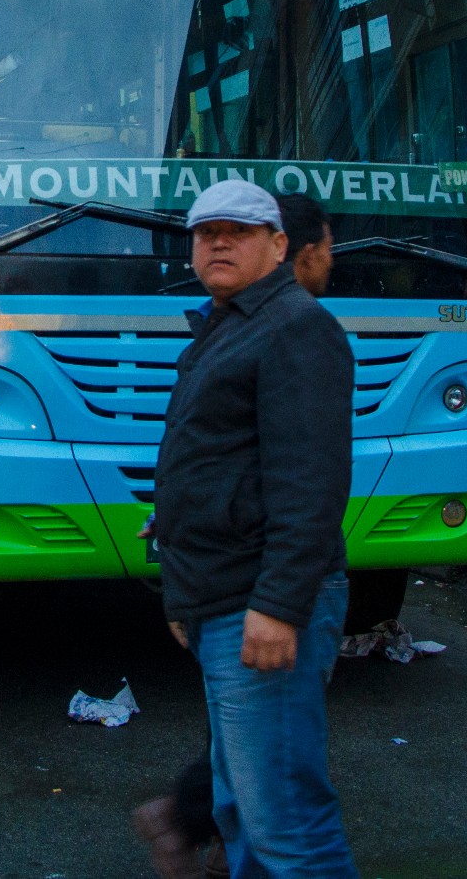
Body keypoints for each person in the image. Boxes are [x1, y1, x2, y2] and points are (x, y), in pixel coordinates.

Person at [152, 180, 358, 879]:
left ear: (278, 246)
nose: (217, 242)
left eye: (236, 232)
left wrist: (277, 606)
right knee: (243, 816)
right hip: (220, 599)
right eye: (206, 232)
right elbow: (207, 469)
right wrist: (184, 598)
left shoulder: (298, 327)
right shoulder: (229, 321)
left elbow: (311, 487)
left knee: (288, 827)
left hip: (257, 605)